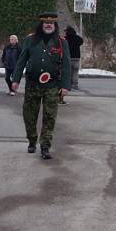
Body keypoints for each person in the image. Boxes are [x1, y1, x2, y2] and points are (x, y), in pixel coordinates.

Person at [11, 11, 71, 160]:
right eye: (46, 23)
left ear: (55, 25)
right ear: (41, 24)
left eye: (51, 23)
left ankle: (45, 146)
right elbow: (21, 61)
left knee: (49, 117)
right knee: (29, 115)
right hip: (32, 84)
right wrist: (15, 80)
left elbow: (66, 65)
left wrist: (65, 86)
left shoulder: (62, 42)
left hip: (52, 85)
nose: (48, 25)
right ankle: (32, 140)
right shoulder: (31, 40)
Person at [64, 26, 84, 90]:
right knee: (75, 72)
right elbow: (81, 41)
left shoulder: (65, 39)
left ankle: (69, 84)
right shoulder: (77, 38)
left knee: (69, 72)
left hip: (68, 58)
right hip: (76, 58)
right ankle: (75, 84)